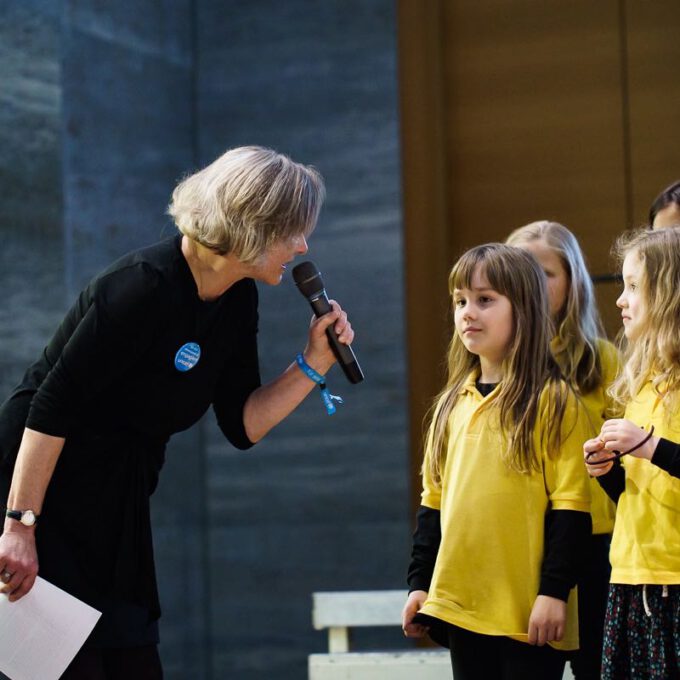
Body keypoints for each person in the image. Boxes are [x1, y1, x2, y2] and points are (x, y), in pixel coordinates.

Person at [0, 145, 355, 679]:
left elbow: (241, 424)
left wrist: (313, 362)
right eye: (293, 231)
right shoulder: (141, 286)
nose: (303, 246)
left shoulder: (237, 298)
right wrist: (19, 527)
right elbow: (52, 406)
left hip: (117, 505)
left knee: (133, 661)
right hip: (41, 495)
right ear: (252, 227)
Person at [401, 243, 592, 680]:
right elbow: (433, 506)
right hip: (460, 605)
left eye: (485, 300)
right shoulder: (451, 405)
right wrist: (420, 584)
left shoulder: (553, 401)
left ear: (522, 308)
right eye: (460, 301)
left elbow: (571, 509)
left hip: (529, 614)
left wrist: (554, 592)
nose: (469, 312)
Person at [506, 221, 620, 680]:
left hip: (598, 549)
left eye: (545, 273)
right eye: (521, 272)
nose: (532, 284)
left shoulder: (604, 361)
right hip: (528, 549)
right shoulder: (495, 367)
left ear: (572, 281)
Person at [585, 227, 680, 680]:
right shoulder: (642, 380)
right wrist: (607, 472)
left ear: (669, 292)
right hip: (630, 576)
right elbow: (637, 492)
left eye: (634, 286)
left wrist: (647, 446)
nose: (620, 300)